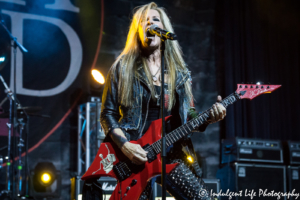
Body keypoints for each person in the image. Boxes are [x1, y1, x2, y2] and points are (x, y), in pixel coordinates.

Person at [100, 2, 226, 200]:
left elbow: (189, 115)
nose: (150, 24)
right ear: (137, 31)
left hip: (171, 151)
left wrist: (210, 117)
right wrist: (125, 145)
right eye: (144, 21)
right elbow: (108, 114)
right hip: (135, 153)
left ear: (164, 30)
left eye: (155, 20)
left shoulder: (180, 73)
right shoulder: (122, 68)